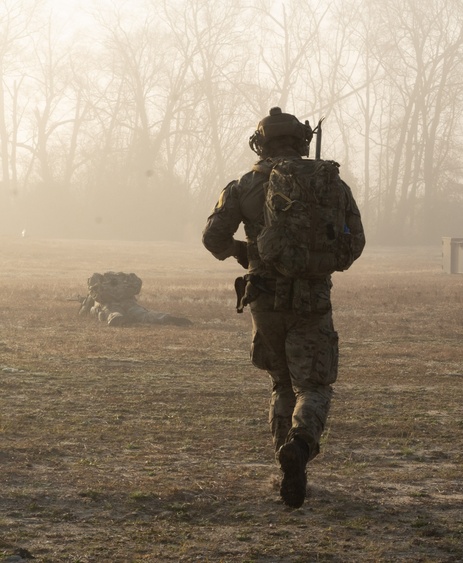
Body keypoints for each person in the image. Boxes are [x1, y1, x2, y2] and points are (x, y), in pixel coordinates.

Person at [202, 107, 364, 508]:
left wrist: (249, 253)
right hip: (313, 299)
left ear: (261, 142)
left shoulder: (245, 185)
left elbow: (212, 237)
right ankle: (302, 444)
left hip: (265, 300)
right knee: (314, 385)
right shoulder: (331, 183)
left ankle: (286, 468)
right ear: (301, 141)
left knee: (281, 382)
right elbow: (354, 244)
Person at [79, 272, 191, 327]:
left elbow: (84, 312)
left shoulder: (95, 295)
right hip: (129, 302)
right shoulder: (123, 287)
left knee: (113, 314)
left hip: (110, 305)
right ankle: (166, 318)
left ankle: (119, 319)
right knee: (143, 314)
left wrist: (85, 307)